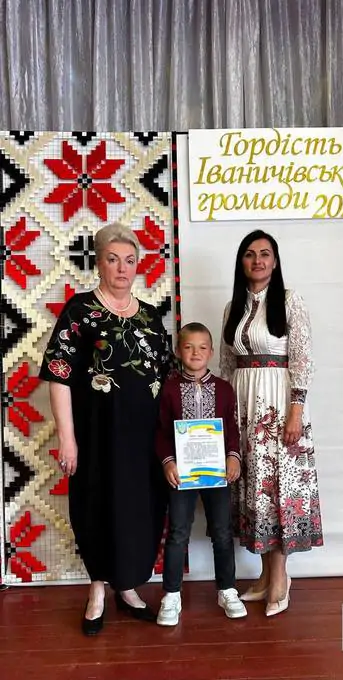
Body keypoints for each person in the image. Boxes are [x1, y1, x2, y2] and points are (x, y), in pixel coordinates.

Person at [39, 222, 171, 635]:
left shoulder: (150, 317)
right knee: (97, 508)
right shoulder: (80, 311)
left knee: (140, 510)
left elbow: (169, 378)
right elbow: (58, 375)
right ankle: (97, 590)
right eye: (113, 260)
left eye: (129, 260)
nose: (122, 268)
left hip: (145, 439)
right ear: (98, 263)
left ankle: (127, 587)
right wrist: (67, 439)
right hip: (97, 437)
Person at [220, 229, 323, 617]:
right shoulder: (232, 308)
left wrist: (296, 410)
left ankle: (280, 578)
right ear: (241, 262)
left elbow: (303, 359)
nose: (258, 260)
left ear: (275, 262)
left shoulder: (290, 301)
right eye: (250, 254)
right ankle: (265, 576)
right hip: (243, 406)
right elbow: (226, 366)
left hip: (278, 406)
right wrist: (223, 414)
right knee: (254, 489)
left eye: (265, 254)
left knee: (276, 487)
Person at [155, 322, 247, 626]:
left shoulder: (224, 389)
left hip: (216, 473)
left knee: (222, 531)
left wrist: (233, 457)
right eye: (188, 347)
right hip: (181, 474)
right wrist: (168, 462)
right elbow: (161, 432)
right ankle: (171, 595)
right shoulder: (169, 389)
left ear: (211, 352)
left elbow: (231, 429)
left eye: (202, 347)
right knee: (178, 532)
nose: (195, 353)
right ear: (178, 351)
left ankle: (227, 589)